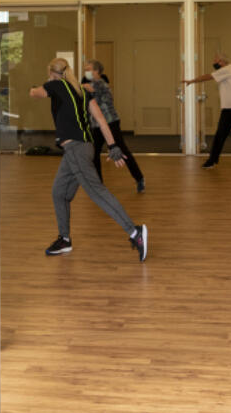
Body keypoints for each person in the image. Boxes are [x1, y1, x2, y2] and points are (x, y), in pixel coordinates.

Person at [30, 58, 148, 262]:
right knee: (59, 192)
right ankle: (64, 239)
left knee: (97, 193)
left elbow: (35, 93)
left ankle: (135, 233)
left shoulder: (55, 85)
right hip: (82, 149)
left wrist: (35, 86)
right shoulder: (82, 92)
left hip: (76, 149)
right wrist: (113, 146)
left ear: (52, 73)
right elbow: (101, 119)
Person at [82, 60, 145, 193]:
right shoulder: (90, 84)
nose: (86, 72)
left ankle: (139, 179)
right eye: (85, 69)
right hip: (97, 125)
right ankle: (98, 184)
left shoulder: (100, 84)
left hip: (111, 123)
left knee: (122, 150)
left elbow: (89, 88)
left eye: (89, 69)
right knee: (94, 153)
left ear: (97, 71)